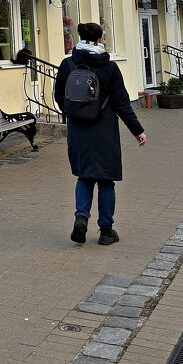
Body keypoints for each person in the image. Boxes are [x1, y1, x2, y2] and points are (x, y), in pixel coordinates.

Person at [54, 22, 146, 246]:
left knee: (84, 176)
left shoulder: (67, 64)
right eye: (104, 38)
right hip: (104, 131)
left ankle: (81, 219)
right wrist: (138, 130)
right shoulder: (110, 68)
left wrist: (74, 113)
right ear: (98, 40)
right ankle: (106, 231)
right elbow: (122, 104)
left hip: (78, 131)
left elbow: (59, 97)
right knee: (106, 181)